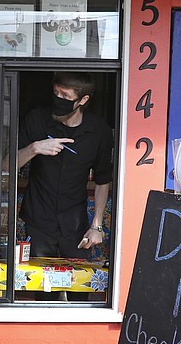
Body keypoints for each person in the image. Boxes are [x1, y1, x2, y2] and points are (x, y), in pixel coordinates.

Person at [16, 72, 113, 299]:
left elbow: (102, 181)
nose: (58, 98)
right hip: (38, 221)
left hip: (76, 224)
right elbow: (6, 166)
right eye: (56, 93)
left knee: (80, 292)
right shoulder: (37, 119)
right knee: (42, 291)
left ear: (83, 100)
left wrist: (97, 225)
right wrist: (34, 148)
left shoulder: (98, 131)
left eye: (65, 95)